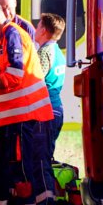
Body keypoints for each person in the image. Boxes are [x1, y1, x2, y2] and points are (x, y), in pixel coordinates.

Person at [0, 0, 54, 205]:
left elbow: (13, 76)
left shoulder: (12, 34)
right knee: (2, 170)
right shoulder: (0, 36)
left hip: (25, 116)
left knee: (22, 172)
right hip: (9, 118)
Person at [34, 12, 67, 155]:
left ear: (43, 31)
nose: (35, 29)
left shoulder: (44, 52)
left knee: (40, 161)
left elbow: (35, 82)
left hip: (46, 111)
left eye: (38, 25)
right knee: (47, 156)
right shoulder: (58, 51)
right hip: (57, 108)